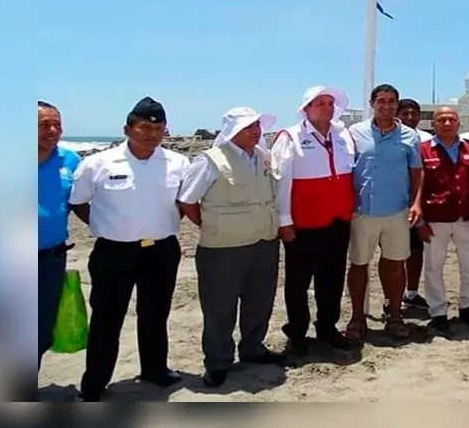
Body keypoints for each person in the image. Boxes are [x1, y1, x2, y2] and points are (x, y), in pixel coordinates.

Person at [68, 97, 190, 401]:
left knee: (155, 314)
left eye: (158, 128)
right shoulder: (98, 163)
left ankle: (155, 370)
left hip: (161, 250)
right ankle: (95, 383)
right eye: (144, 127)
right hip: (114, 252)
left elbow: (185, 202)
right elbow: (78, 203)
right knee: (107, 319)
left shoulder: (179, 163)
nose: (152, 134)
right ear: (127, 129)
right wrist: (104, 225)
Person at [177, 107, 286, 388]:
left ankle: (253, 348)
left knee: (259, 300)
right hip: (222, 248)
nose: (255, 131)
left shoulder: (264, 156)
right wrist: (210, 225)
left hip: (263, 242)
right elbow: (187, 200)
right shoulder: (211, 160)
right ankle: (217, 362)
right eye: (248, 126)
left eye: (257, 126)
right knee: (220, 307)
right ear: (232, 131)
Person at [270, 86, 357, 353]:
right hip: (304, 222)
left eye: (330, 103)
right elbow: (281, 180)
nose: (327, 108)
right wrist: (284, 220)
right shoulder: (290, 136)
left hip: (338, 220)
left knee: (332, 278)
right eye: (320, 103)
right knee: (298, 281)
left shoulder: (343, 134)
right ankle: (297, 332)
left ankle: (327, 327)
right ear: (306, 108)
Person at [346, 84, 423, 341]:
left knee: (394, 263)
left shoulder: (410, 136)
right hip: (362, 211)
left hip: (397, 210)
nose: (386, 106)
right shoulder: (355, 133)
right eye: (381, 101)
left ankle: (395, 316)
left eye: (391, 101)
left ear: (397, 105)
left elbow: (416, 172)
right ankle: (358, 317)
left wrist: (416, 203)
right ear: (372, 104)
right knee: (359, 263)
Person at [415, 107, 469, 331]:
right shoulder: (422, 150)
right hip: (434, 219)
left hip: (468, 218)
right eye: (442, 120)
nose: (447, 123)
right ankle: (438, 311)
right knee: (433, 266)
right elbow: (415, 186)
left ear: (458, 123)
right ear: (434, 124)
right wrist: (419, 222)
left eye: (452, 119)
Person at [37, 101, 81, 373]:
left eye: (57, 125)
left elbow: (82, 201)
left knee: (41, 329)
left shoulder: (71, 161)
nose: (53, 131)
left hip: (51, 259)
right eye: (44, 125)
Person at [395, 98, 432, 310]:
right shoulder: (392, 136)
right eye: (405, 113)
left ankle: (411, 293)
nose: (410, 117)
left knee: (416, 250)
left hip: (419, 203)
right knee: (394, 253)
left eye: (414, 113)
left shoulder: (426, 139)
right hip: (395, 203)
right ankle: (393, 295)